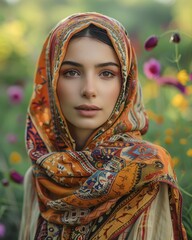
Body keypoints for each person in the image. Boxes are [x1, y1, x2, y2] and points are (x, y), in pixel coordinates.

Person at [19, 12, 187, 240]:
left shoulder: (149, 171)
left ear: (126, 84)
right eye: (71, 72)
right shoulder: (40, 176)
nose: (89, 89)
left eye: (106, 73)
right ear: (50, 81)